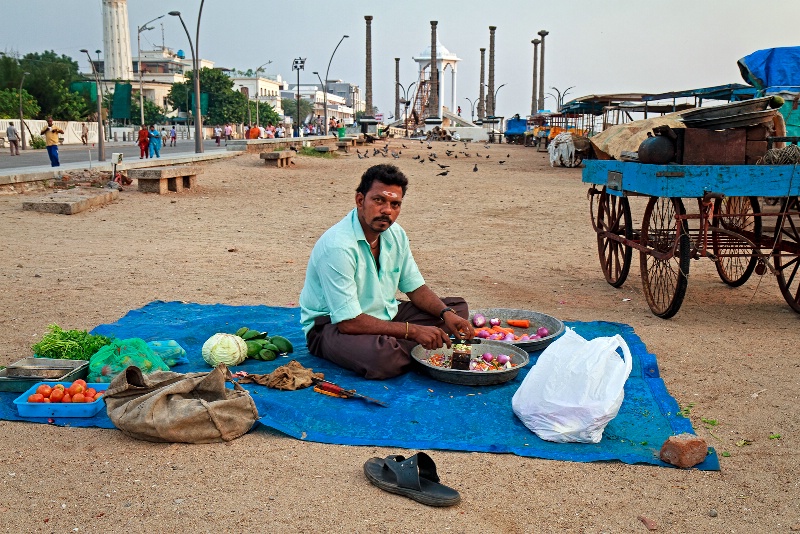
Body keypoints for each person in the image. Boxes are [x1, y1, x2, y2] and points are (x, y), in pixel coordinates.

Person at [300, 164, 474, 380]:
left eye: (395, 204)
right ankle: (405, 348)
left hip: (383, 313)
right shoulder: (338, 246)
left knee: (458, 309)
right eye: (379, 200)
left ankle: (401, 345)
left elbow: (415, 287)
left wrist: (445, 313)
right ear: (360, 200)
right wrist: (413, 332)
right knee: (383, 358)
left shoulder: (396, 234)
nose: (387, 211)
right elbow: (348, 322)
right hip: (332, 326)